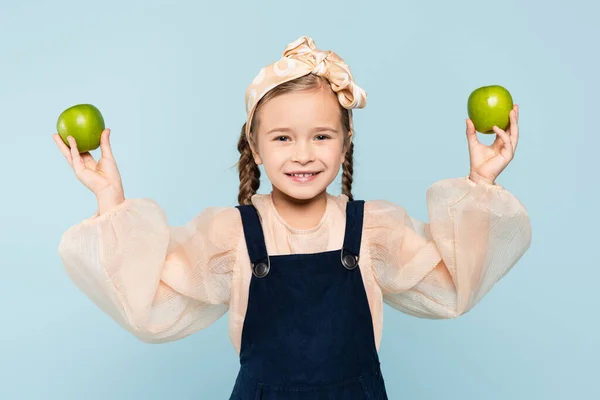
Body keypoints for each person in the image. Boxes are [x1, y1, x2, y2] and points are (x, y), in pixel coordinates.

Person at [52, 36, 532, 399]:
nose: (303, 154)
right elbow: (149, 308)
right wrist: (109, 198)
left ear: (345, 143)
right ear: (255, 148)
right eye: (283, 138)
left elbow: (453, 286)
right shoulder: (231, 236)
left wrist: (481, 182)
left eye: (322, 136)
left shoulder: (373, 232)